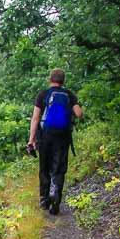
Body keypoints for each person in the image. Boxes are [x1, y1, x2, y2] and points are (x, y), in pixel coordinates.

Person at [27, 68, 83, 215]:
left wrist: (31, 140)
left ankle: (44, 199)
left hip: (45, 135)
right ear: (63, 81)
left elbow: (35, 118)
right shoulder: (69, 94)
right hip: (63, 136)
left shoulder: (43, 94)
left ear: (50, 79)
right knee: (59, 167)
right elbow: (79, 113)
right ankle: (56, 196)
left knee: (44, 167)